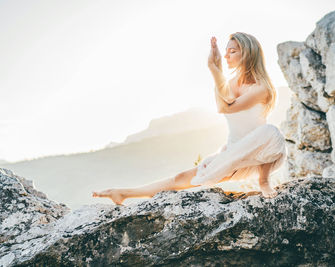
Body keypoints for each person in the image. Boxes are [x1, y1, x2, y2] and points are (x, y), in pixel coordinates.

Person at [92, 32, 287, 205]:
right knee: (180, 178)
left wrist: (214, 69)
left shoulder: (262, 87)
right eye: (226, 51)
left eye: (233, 51)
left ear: (248, 53)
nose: (226, 55)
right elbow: (224, 102)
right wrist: (215, 68)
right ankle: (123, 193)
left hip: (265, 152)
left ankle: (264, 180)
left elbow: (225, 108)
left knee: (270, 132)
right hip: (234, 153)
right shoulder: (232, 82)